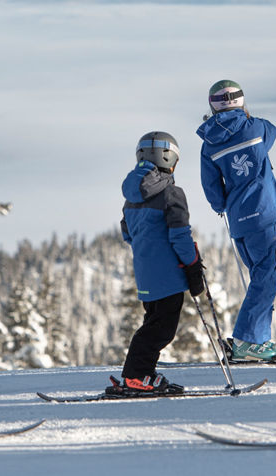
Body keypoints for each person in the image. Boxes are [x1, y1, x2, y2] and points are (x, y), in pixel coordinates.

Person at [197, 81, 276, 362]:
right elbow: (272, 132)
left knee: (260, 277)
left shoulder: (209, 144)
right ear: (241, 102)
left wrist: (221, 205)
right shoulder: (256, 128)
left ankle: (259, 338)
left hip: (238, 218)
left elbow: (211, 187)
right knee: (267, 276)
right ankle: (248, 340)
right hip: (262, 212)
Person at [114, 131, 204, 395]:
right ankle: (136, 375)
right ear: (170, 159)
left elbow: (127, 233)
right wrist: (193, 265)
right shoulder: (171, 193)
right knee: (161, 330)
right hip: (169, 274)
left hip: (145, 272)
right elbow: (180, 235)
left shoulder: (131, 197)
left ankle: (143, 373)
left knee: (153, 323)